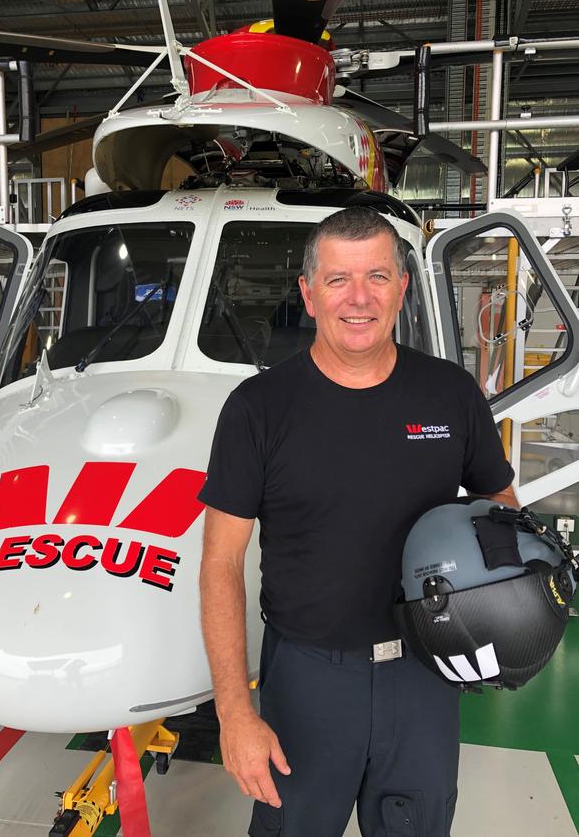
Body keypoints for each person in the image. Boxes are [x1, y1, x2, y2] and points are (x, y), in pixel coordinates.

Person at [198, 207, 517, 837]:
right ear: (309, 294)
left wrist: (510, 614)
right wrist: (234, 710)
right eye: (339, 280)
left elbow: (504, 514)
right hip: (308, 678)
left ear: (403, 287)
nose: (359, 298)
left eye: (377, 276)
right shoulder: (258, 409)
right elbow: (220, 562)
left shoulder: (451, 395)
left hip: (426, 674)